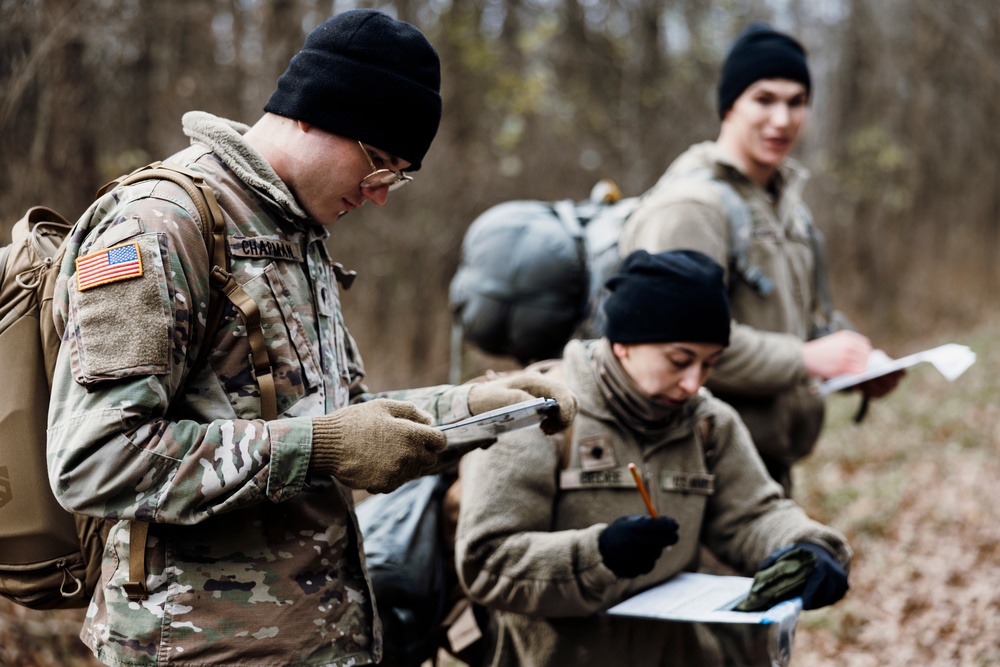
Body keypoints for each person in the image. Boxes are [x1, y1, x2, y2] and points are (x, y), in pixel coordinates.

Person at [45, 10, 576, 667]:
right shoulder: (159, 226)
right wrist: (319, 448)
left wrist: (480, 409)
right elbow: (93, 458)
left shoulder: (295, 234)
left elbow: (348, 420)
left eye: (399, 176)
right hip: (195, 647)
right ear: (310, 109)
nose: (381, 195)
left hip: (313, 640)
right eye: (379, 162)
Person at [454, 249, 853, 667]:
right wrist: (599, 554)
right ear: (624, 343)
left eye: (709, 364)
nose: (693, 382)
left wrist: (809, 548)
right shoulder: (536, 415)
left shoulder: (708, 424)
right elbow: (486, 560)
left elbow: (753, 516)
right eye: (679, 361)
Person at [619, 23, 901, 495]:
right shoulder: (691, 207)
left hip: (764, 468)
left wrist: (855, 365)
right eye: (764, 99)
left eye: (796, 102)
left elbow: (801, 325)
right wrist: (807, 358)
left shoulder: (790, 211)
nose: (783, 119)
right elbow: (671, 346)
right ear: (730, 105)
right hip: (690, 472)